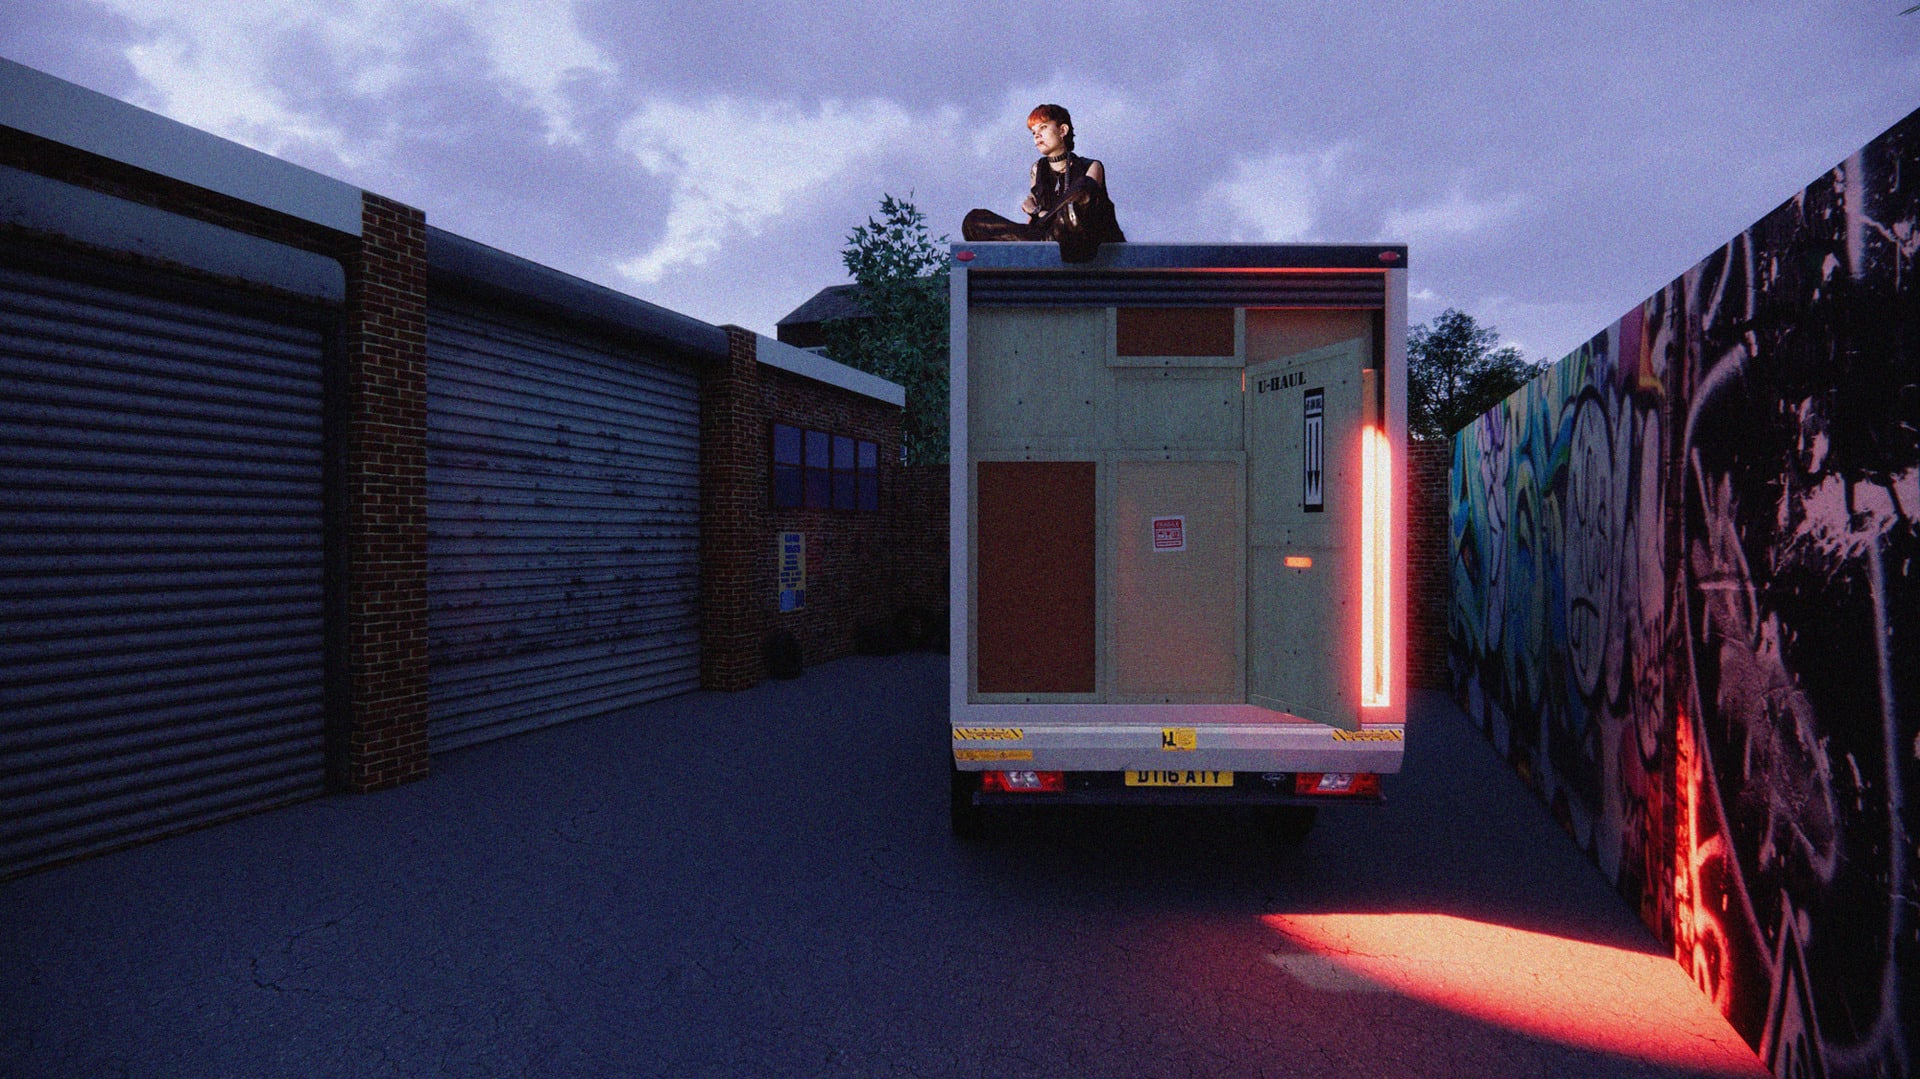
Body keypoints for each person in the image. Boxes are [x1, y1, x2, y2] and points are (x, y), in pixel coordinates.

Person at [962, 103, 1125, 262]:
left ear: (1063, 130)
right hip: (1047, 238)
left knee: (1081, 194)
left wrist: (1038, 212)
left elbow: (1082, 208)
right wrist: (1034, 222)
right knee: (973, 220)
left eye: (1043, 127)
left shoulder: (1091, 166)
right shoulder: (1037, 169)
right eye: (1033, 132)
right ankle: (1045, 245)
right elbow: (1032, 225)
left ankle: (1046, 243)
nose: (1037, 135)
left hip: (1081, 240)